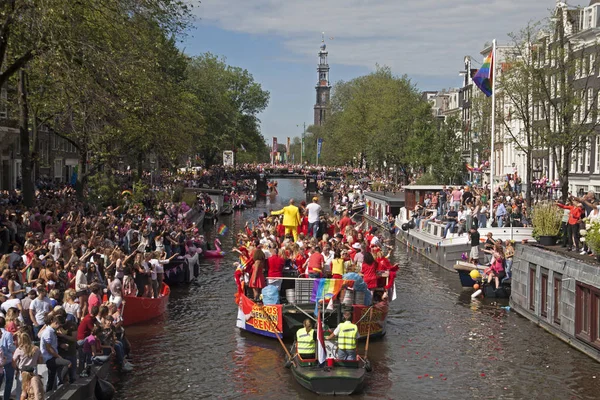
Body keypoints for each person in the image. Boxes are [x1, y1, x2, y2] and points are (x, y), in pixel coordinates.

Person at [40, 315, 69, 392]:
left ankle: (49, 391)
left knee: (51, 376)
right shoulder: (48, 332)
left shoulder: (52, 332)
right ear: (56, 323)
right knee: (67, 363)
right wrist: (59, 357)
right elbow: (49, 348)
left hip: (52, 356)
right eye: (59, 326)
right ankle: (62, 382)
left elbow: (52, 345)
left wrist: (60, 345)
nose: (59, 328)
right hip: (49, 358)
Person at [0, 317, 15, 400]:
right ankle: (6, 398)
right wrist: (17, 349)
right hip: (7, 360)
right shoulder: (7, 334)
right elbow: (10, 347)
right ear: (4, 324)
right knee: (8, 381)